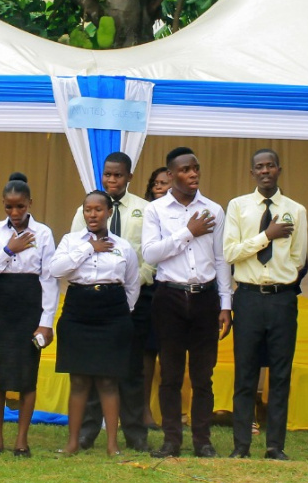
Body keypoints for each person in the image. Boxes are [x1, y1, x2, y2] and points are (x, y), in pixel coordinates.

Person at [142, 147, 233, 458]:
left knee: (202, 375)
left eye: (196, 168)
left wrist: (226, 304)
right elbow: (150, 254)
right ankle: (171, 440)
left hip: (205, 297)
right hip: (169, 296)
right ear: (170, 175)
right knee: (169, 373)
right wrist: (187, 232)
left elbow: (222, 259)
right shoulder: (156, 210)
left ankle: (202, 440)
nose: (193, 174)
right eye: (185, 170)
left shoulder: (214, 210)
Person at [224, 149, 308, 460]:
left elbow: (298, 259)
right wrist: (266, 236)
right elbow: (230, 253)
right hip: (247, 297)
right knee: (245, 372)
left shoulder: (296, 210)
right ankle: (241, 445)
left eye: (270, 165)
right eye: (259, 167)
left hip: (282, 299)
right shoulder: (238, 206)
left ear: (279, 169)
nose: (265, 171)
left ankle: (275, 446)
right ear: (252, 173)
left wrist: (280, 280)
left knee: (281, 375)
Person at [69, 152, 153, 452]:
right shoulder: (87, 209)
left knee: (130, 369)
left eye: (118, 175)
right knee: (92, 370)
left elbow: (149, 255)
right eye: (107, 175)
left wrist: (132, 291)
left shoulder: (145, 210)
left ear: (129, 177)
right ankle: (86, 433)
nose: (112, 180)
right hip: (94, 303)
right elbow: (74, 249)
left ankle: (135, 434)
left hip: (134, 298)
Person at [50, 190, 141, 456]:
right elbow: (56, 270)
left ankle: (112, 444)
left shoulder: (123, 246)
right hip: (78, 310)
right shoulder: (70, 241)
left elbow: (132, 285)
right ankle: (72, 443)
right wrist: (89, 248)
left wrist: (122, 313)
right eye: (88, 209)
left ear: (109, 212)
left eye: (98, 209)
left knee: (108, 381)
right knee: (78, 380)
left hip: (113, 314)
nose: (92, 214)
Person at [0, 172, 56, 458]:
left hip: (30, 304)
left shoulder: (44, 233)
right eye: (9, 207)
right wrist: (9, 250)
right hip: (2, 304)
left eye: (20, 206)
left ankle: (22, 440)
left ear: (30, 203)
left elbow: (49, 279)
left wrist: (46, 322)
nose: (15, 212)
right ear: (3, 204)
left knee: (27, 375)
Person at [139, 165, 170, 429]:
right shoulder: (145, 215)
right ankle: (143, 410)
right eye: (156, 183)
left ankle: (174, 414)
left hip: (176, 288)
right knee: (147, 353)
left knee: (172, 355)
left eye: (165, 183)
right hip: (148, 289)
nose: (160, 188)